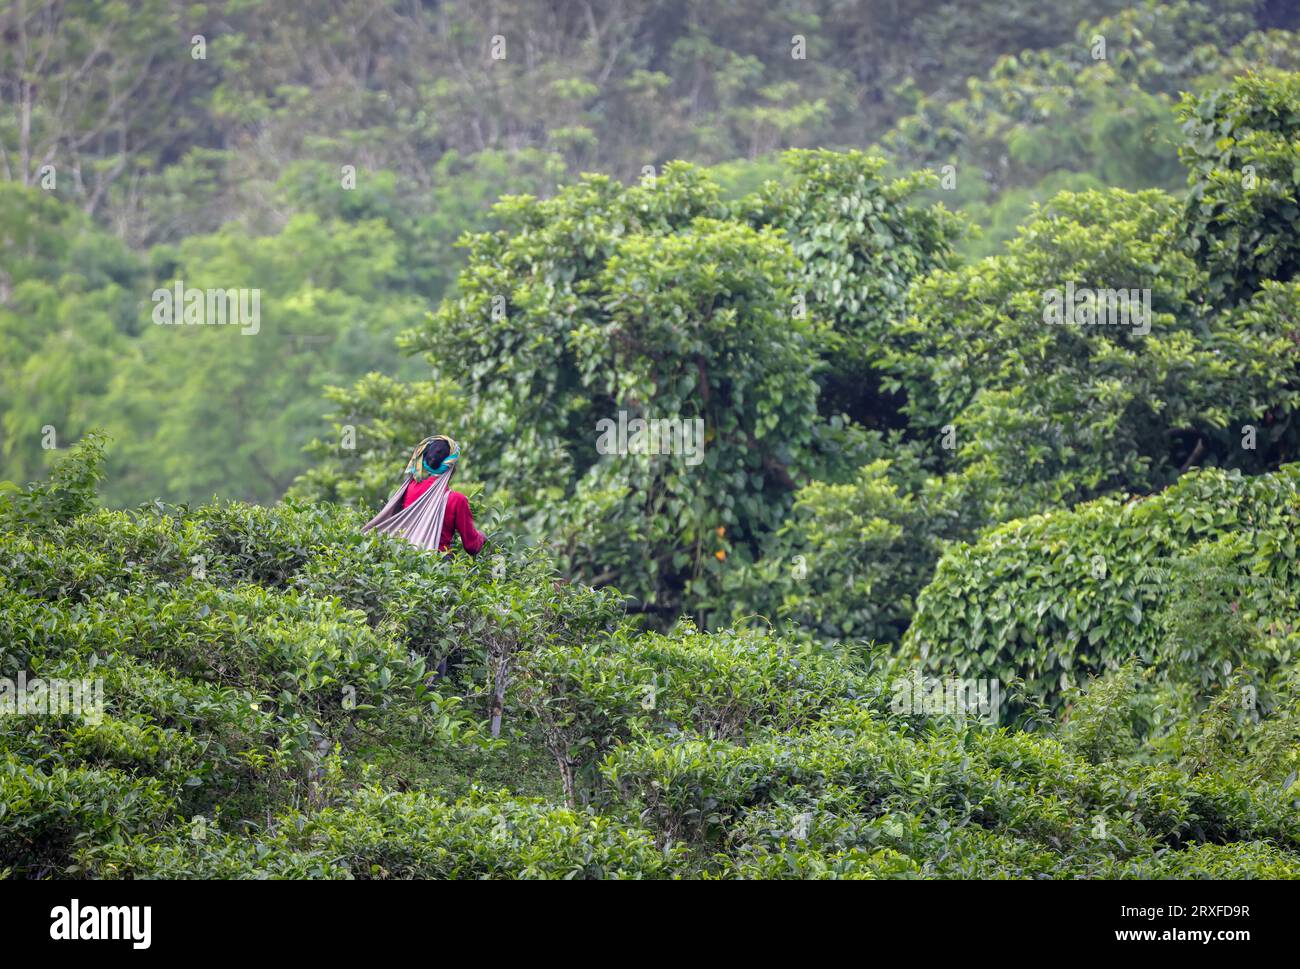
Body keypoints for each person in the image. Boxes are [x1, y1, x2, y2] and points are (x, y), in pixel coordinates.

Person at [362, 434, 485, 555]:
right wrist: (482, 537)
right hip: (437, 564)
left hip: (405, 556)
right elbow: (472, 546)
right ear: (451, 465)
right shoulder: (457, 499)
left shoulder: (410, 487)